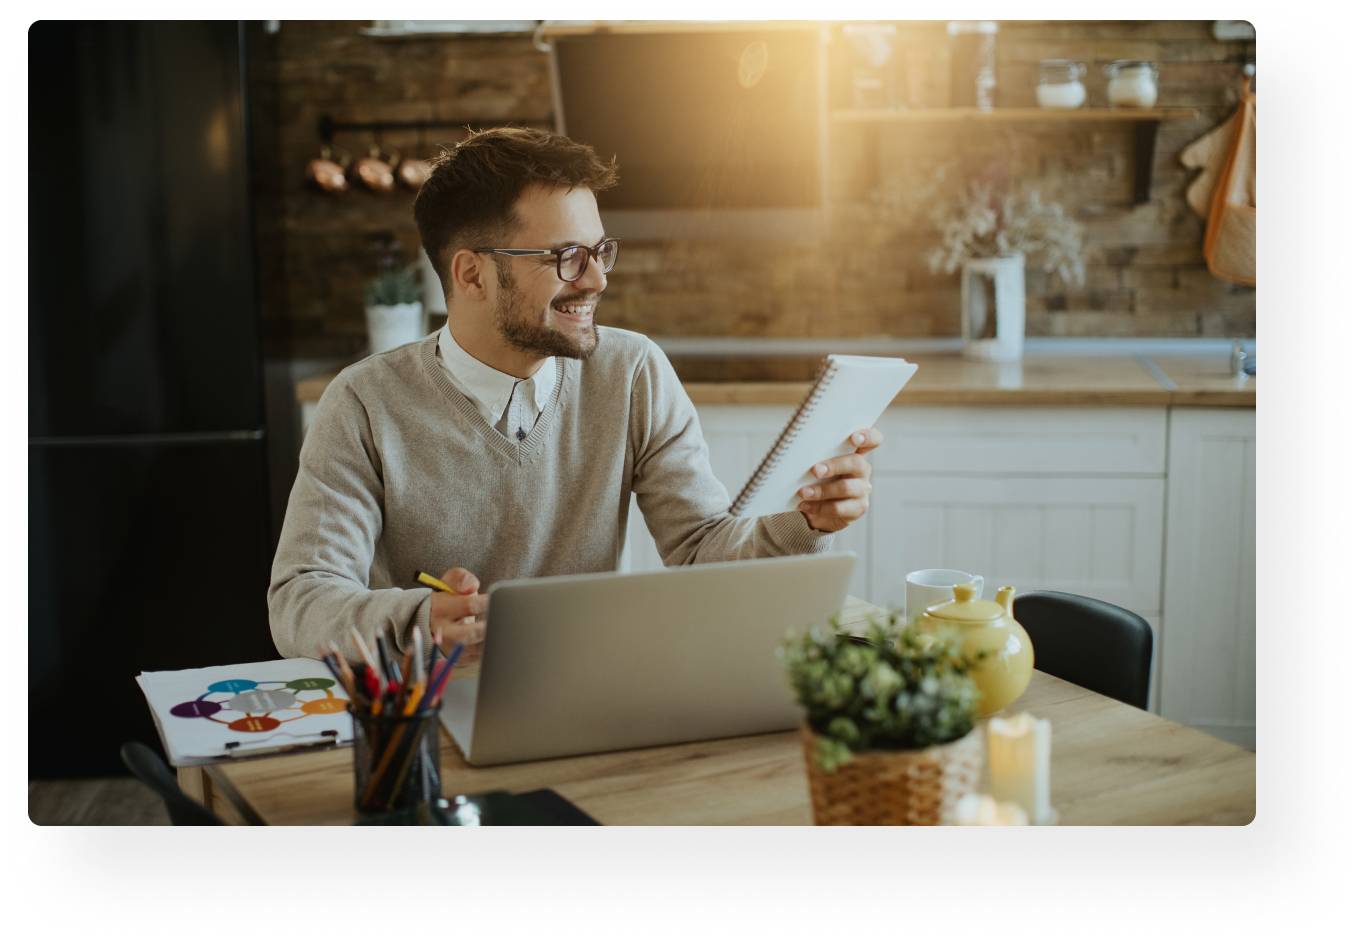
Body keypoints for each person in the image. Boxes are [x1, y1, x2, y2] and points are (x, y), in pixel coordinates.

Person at [267, 127, 883, 659]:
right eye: (565, 256)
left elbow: (700, 550)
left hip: (593, 691)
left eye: (599, 251)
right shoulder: (363, 403)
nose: (597, 279)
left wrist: (805, 523)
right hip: (427, 707)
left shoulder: (632, 371)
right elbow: (301, 600)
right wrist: (422, 620)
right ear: (472, 274)